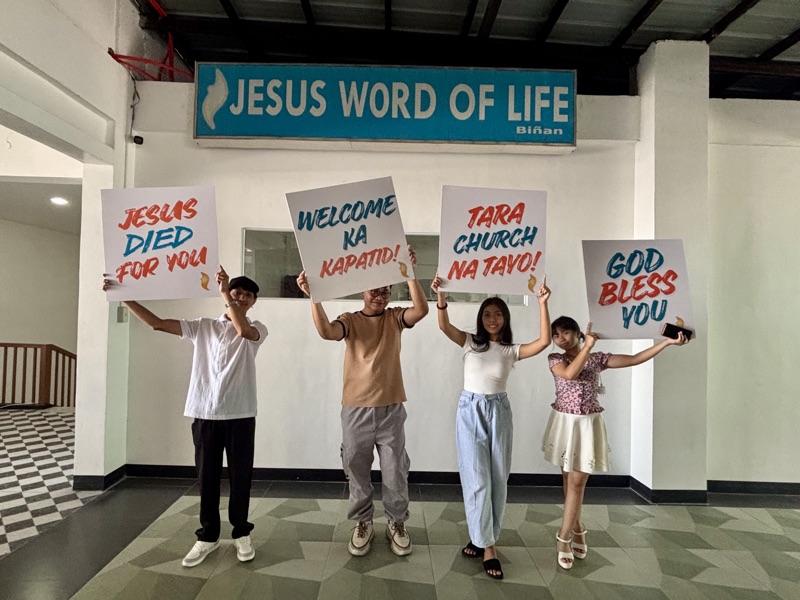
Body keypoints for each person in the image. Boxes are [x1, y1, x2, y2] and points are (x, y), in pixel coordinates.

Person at [102, 266, 268, 568]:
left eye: (248, 294)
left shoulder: (257, 328)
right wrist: (124, 297)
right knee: (206, 477)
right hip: (204, 412)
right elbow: (156, 324)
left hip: (241, 413)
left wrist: (224, 293)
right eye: (237, 292)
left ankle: (241, 533)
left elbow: (243, 331)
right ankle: (208, 536)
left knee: (241, 476)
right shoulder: (203, 326)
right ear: (230, 295)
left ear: (253, 302)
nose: (242, 297)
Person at [296, 246, 429, 557]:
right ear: (363, 292)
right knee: (356, 469)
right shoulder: (350, 320)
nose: (380, 295)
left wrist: (408, 273)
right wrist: (313, 297)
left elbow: (421, 310)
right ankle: (363, 522)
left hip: (391, 408)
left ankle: (397, 522)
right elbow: (328, 332)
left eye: (385, 291)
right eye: (374, 291)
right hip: (355, 409)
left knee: (395, 470)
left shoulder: (396, 318)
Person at [544, 316, 689, 570]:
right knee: (568, 480)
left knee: (577, 482)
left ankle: (563, 539)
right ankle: (578, 528)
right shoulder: (556, 360)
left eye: (566, 332)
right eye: (556, 335)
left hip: (588, 424)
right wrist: (586, 347)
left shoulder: (598, 358)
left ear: (578, 332)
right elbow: (570, 374)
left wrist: (665, 344)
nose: (561, 339)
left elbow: (634, 359)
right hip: (565, 423)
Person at [431, 275, 551, 580]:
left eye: (498, 314)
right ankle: (488, 547)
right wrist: (441, 298)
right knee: (477, 479)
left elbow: (544, 341)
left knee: (498, 477)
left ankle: (481, 536)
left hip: (499, 411)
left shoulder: (510, 351)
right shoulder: (470, 342)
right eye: (487, 314)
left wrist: (542, 302)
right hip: (470, 411)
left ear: (505, 318)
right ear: (480, 318)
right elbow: (444, 327)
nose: (492, 319)